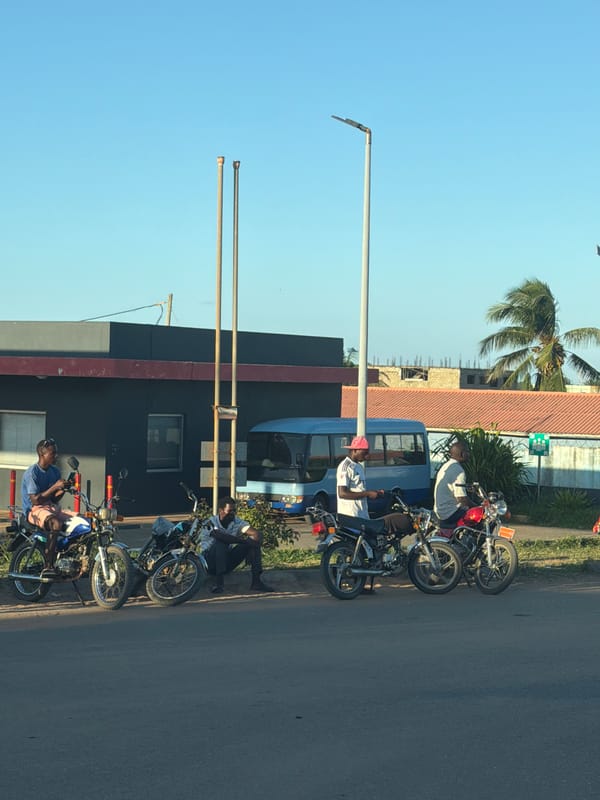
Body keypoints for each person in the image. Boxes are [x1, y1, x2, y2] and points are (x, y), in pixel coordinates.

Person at [336, 435, 414, 592]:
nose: (367, 456)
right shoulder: (345, 467)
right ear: (355, 450)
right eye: (364, 453)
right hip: (350, 514)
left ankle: (365, 585)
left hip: (362, 513)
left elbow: (359, 490)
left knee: (370, 548)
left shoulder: (358, 467)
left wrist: (376, 493)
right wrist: (367, 494)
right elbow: (342, 493)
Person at [21, 438, 84, 578]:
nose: (56, 456)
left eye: (56, 453)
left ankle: (68, 557)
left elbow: (54, 498)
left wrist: (63, 489)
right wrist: (55, 486)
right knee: (56, 523)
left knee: (82, 521)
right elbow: (36, 499)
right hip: (34, 510)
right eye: (52, 453)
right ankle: (48, 566)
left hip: (51, 507)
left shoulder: (54, 471)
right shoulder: (32, 473)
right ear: (42, 454)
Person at [199, 496, 275, 594]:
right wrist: (244, 542)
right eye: (229, 511)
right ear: (221, 510)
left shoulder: (236, 522)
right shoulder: (210, 522)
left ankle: (256, 582)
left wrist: (249, 547)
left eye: (234, 511)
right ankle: (218, 583)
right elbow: (221, 537)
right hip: (209, 562)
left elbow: (257, 534)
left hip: (226, 561)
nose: (232, 514)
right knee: (221, 543)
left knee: (253, 543)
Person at [433, 440, 477, 526]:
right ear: (462, 454)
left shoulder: (446, 466)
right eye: (467, 452)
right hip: (450, 512)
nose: (469, 455)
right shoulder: (458, 470)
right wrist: (476, 507)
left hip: (440, 511)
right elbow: (461, 498)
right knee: (478, 517)